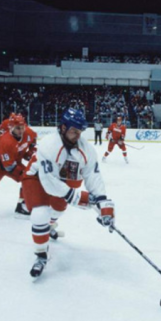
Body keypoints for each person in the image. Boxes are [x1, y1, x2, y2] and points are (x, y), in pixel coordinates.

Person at [22, 108, 115, 278]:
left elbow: (93, 176)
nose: (78, 135)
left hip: (62, 181)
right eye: (74, 130)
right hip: (36, 178)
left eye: (80, 131)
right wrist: (77, 197)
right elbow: (49, 183)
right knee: (40, 214)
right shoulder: (48, 145)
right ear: (63, 128)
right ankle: (41, 255)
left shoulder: (86, 150)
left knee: (58, 209)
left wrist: (103, 205)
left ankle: (48, 227)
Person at [0, 113, 38, 219]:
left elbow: (33, 140)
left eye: (22, 127)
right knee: (28, 178)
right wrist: (21, 172)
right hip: (5, 163)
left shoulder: (30, 133)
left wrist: (31, 152)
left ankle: (23, 203)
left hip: (14, 161)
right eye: (18, 128)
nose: (21, 130)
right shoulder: (6, 140)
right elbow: (9, 164)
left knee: (30, 178)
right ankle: (22, 206)